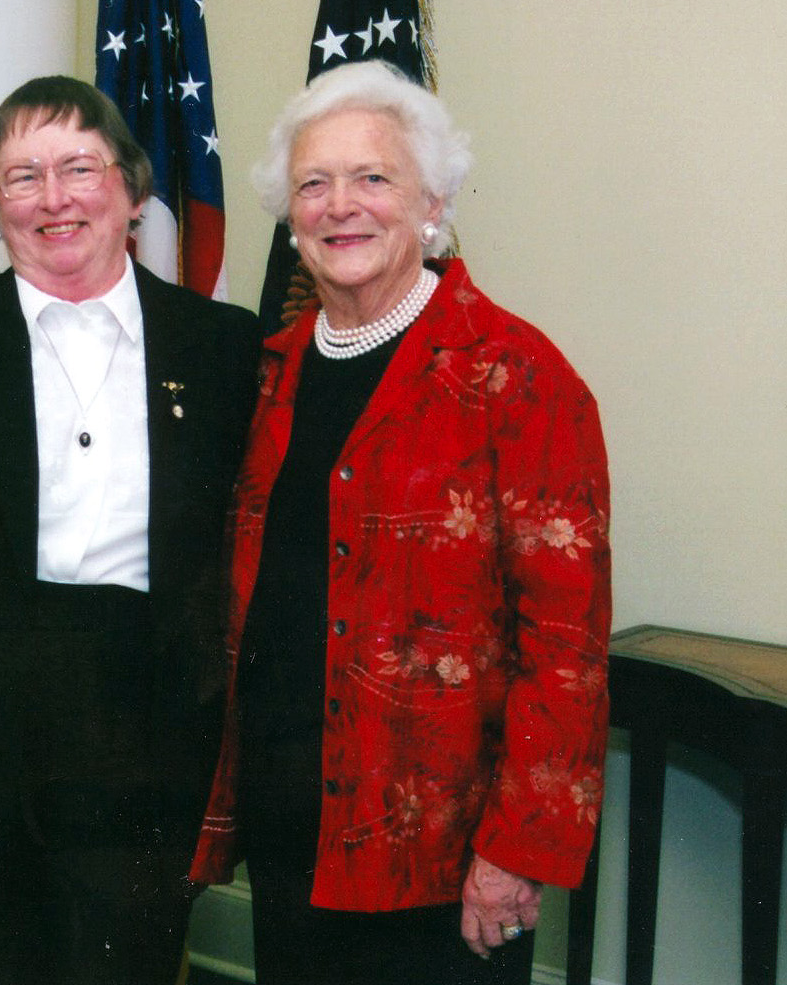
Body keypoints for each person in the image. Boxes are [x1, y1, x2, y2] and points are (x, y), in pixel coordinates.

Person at [189, 59, 611, 985]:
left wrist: (517, 855)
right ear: (289, 212)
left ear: (433, 200)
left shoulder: (517, 378)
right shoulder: (266, 375)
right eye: (313, 183)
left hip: (444, 858)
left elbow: (565, 648)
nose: (341, 205)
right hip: (291, 828)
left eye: (372, 177)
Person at [0, 76, 262, 983]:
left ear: (133, 192)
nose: (53, 198)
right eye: (21, 177)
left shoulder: (224, 349)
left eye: (79, 167)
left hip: (145, 757)